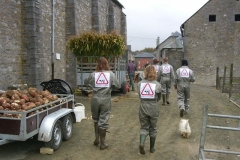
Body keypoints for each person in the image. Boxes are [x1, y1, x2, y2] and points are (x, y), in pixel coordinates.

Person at [85, 57, 121, 150]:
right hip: (105, 99)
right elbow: (117, 86)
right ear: (106, 64)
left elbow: (86, 83)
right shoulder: (111, 74)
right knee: (103, 120)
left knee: (96, 119)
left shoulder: (93, 74)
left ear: (98, 64)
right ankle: (103, 143)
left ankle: (96, 139)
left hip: (95, 99)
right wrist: (110, 88)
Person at [137, 65, 161, 155]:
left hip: (143, 106)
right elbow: (159, 97)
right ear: (155, 73)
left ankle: (142, 143)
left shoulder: (140, 84)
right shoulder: (157, 84)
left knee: (144, 127)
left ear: (145, 72)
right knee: (153, 128)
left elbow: (140, 96)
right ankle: (152, 148)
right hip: (153, 107)